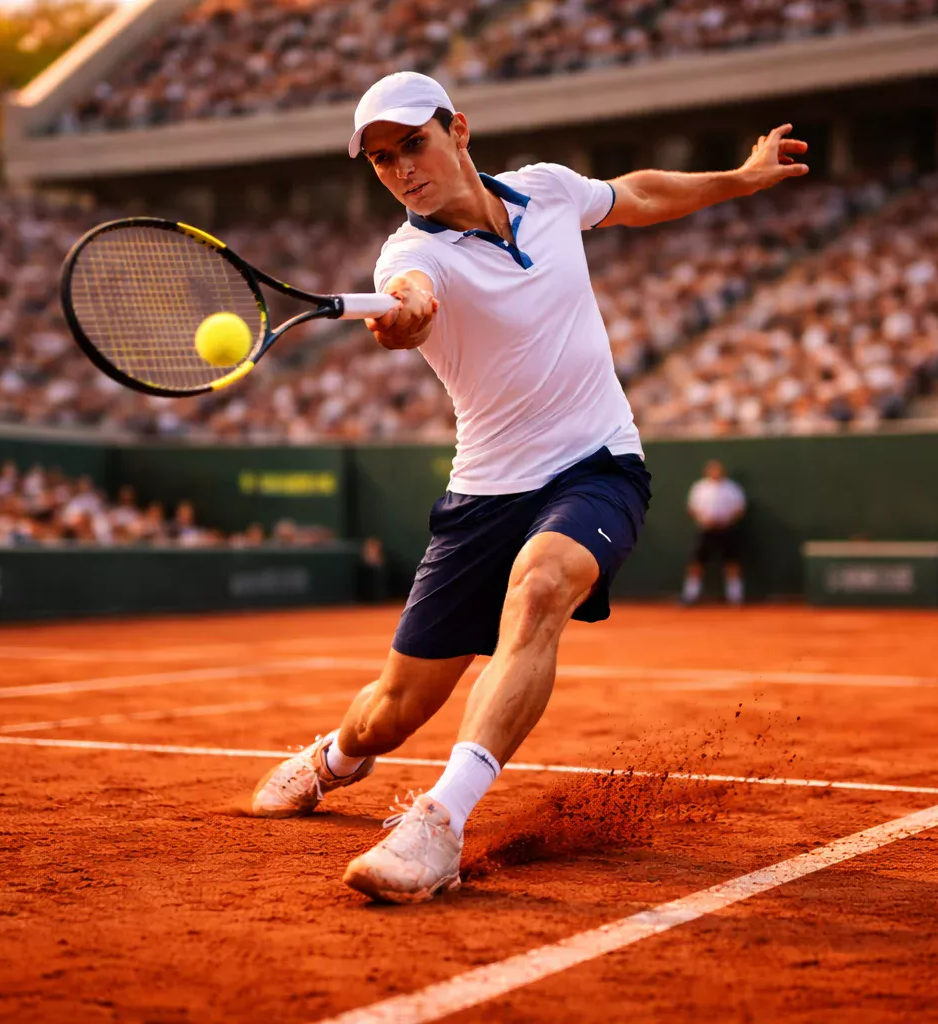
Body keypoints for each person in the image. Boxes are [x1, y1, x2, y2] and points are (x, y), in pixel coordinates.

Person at [248, 71, 808, 904]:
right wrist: (405, 316)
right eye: (380, 160)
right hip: (484, 494)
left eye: (413, 144)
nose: (401, 168)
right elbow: (413, 297)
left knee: (543, 584)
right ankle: (333, 759)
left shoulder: (546, 192)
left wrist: (741, 177)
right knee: (390, 716)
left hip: (596, 464)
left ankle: (439, 823)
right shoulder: (412, 253)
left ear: (458, 130)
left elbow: (637, 194)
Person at [681, 459, 747, 605]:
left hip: (727, 530)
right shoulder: (700, 488)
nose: (715, 472)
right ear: (707, 471)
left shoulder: (732, 488)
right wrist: (704, 520)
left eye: (717, 469)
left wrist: (727, 521)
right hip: (706, 530)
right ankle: (690, 596)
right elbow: (692, 508)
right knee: (696, 563)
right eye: (712, 469)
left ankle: (735, 598)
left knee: (732, 563)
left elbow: (740, 509)